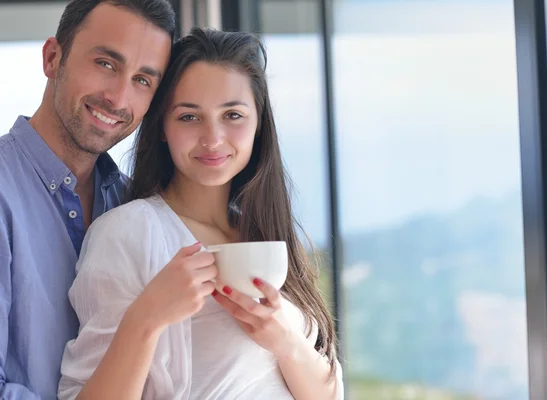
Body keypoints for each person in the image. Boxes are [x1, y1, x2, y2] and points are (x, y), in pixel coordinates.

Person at [58, 27, 344, 399]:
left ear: (259, 125)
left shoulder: (262, 234)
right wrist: (147, 318)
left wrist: (287, 341)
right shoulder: (130, 232)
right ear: (162, 127)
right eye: (189, 117)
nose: (212, 139)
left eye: (233, 115)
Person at [0, 0, 174, 398]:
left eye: (143, 81)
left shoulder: (138, 207)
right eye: (106, 64)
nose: (118, 97)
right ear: (52, 58)